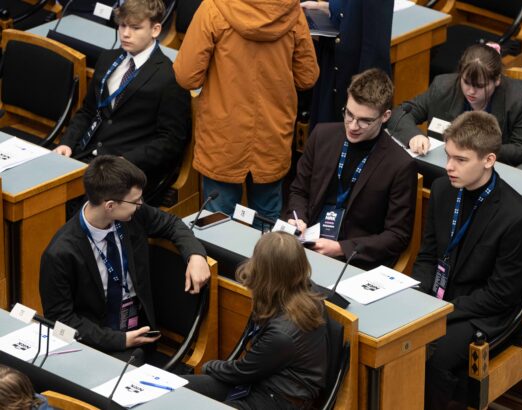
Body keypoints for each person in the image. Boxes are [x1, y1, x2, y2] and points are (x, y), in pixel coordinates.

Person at [412, 111, 522, 409]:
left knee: (434, 354)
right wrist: (419, 297)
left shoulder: (515, 218)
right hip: (442, 298)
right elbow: (428, 255)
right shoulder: (443, 189)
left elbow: (501, 296)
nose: (449, 167)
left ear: (489, 160)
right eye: (448, 155)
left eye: (460, 160)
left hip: (483, 312)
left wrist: (441, 311)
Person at [39, 156, 210, 361]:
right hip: (95, 345)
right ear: (110, 205)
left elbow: (171, 224)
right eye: (136, 200)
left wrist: (196, 255)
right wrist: (120, 340)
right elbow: (61, 319)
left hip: (141, 329)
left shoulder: (131, 215)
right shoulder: (60, 254)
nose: (141, 204)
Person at [173, 0, 319, 223]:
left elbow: (187, 76)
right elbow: (307, 77)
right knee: (267, 225)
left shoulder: (213, 8)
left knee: (217, 223)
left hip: (223, 136)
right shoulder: (291, 12)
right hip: (272, 135)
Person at [54, 0, 190, 198]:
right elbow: (88, 111)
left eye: (135, 28)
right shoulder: (107, 59)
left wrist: (125, 161)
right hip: (86, 154)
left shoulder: (169, 77)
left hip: (128, 169)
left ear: (155, 29)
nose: (125, 34)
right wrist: (67, 143)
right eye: (122, 25)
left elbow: (170, 141)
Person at [286, 68, 417, 271]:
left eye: (365, 120)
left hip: (354, 261)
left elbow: (396, 236)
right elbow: (299, 191)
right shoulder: (322, 135)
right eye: (349, 114)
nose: (353, 126)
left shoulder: (400, 165)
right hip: (307, 244)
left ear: (385, 116)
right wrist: (298, 219)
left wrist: (341, 248)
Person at [185, 231, 328, 409]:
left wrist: (210, 366)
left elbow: (243, 371)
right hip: (260, 380)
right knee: (176, 388)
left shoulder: (282, 334)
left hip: (278, 399)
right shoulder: (303, 287)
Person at [389, 42, 522, 175]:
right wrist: (414, 136)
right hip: (450, 166)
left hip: (505, 165)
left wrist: (478, 151)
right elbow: (401, 114)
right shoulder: (443, 87)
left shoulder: (517, 99)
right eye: (466, 82)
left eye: (480, 86)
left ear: (497, 80)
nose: (471, 91)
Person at [300, 0, 394, 130]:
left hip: (355, 81)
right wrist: (326, 7)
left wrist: (361, 95)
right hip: (333, 70)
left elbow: (374, 50)